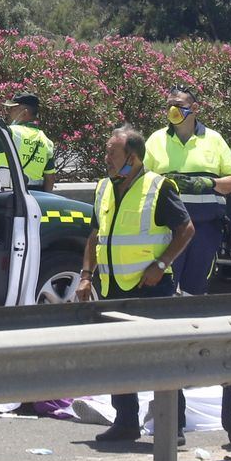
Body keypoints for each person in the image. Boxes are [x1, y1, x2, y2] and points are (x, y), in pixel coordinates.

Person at [75, 125, 195, 443]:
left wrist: (161, 264)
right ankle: (126, 422)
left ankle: (173, 426)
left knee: (161, 356)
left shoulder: (158, 187)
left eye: (112, 153)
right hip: (113, 285)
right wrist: (86, 275)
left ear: (132, 156)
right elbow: (95, 236)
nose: (107, 159)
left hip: (151, 286)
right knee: (119, 356)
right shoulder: (104, 188)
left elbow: (186, 229)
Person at [143, 86, 231, 296]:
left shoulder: (214, 140)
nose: (172, 110)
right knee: (165, 286)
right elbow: (141, 180)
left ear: (194, 108)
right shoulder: (156, 140)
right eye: (169, 106)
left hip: (205, 229)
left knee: (195, 289)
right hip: (167, 230)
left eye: (178, 106)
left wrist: (208, 183)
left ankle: (195, 324)